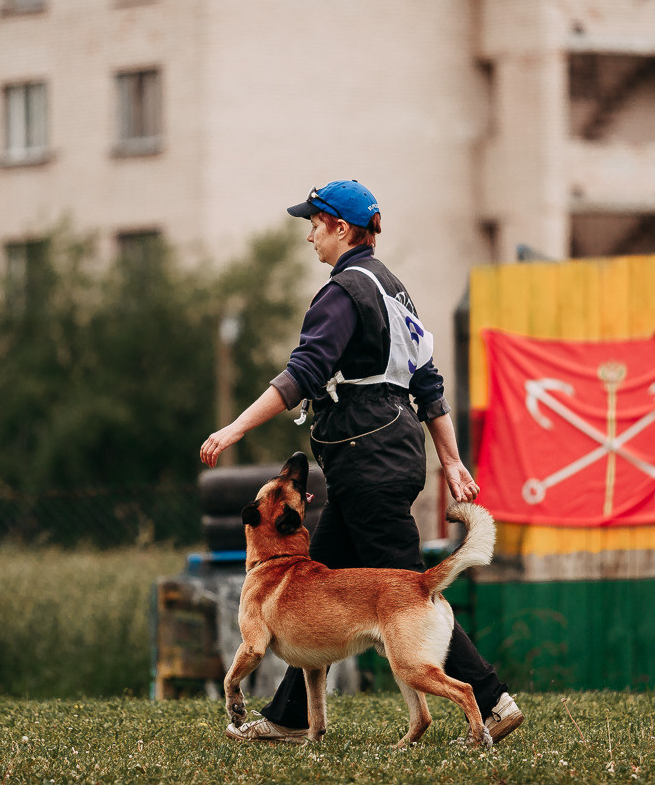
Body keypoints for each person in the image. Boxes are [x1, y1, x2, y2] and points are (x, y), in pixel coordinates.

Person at [200, 179, 523, 745]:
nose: (309, 236)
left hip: (364, 453)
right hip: (394, 450)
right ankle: (290, 719)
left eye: (315, 224)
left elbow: (303, 373)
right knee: (311, 584)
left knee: (414, 590)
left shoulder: (343, 291)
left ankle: (493, 701)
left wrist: (235, 427)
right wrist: (448, 458)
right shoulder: (395, 290)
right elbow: (428, 384)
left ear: (341, 229)